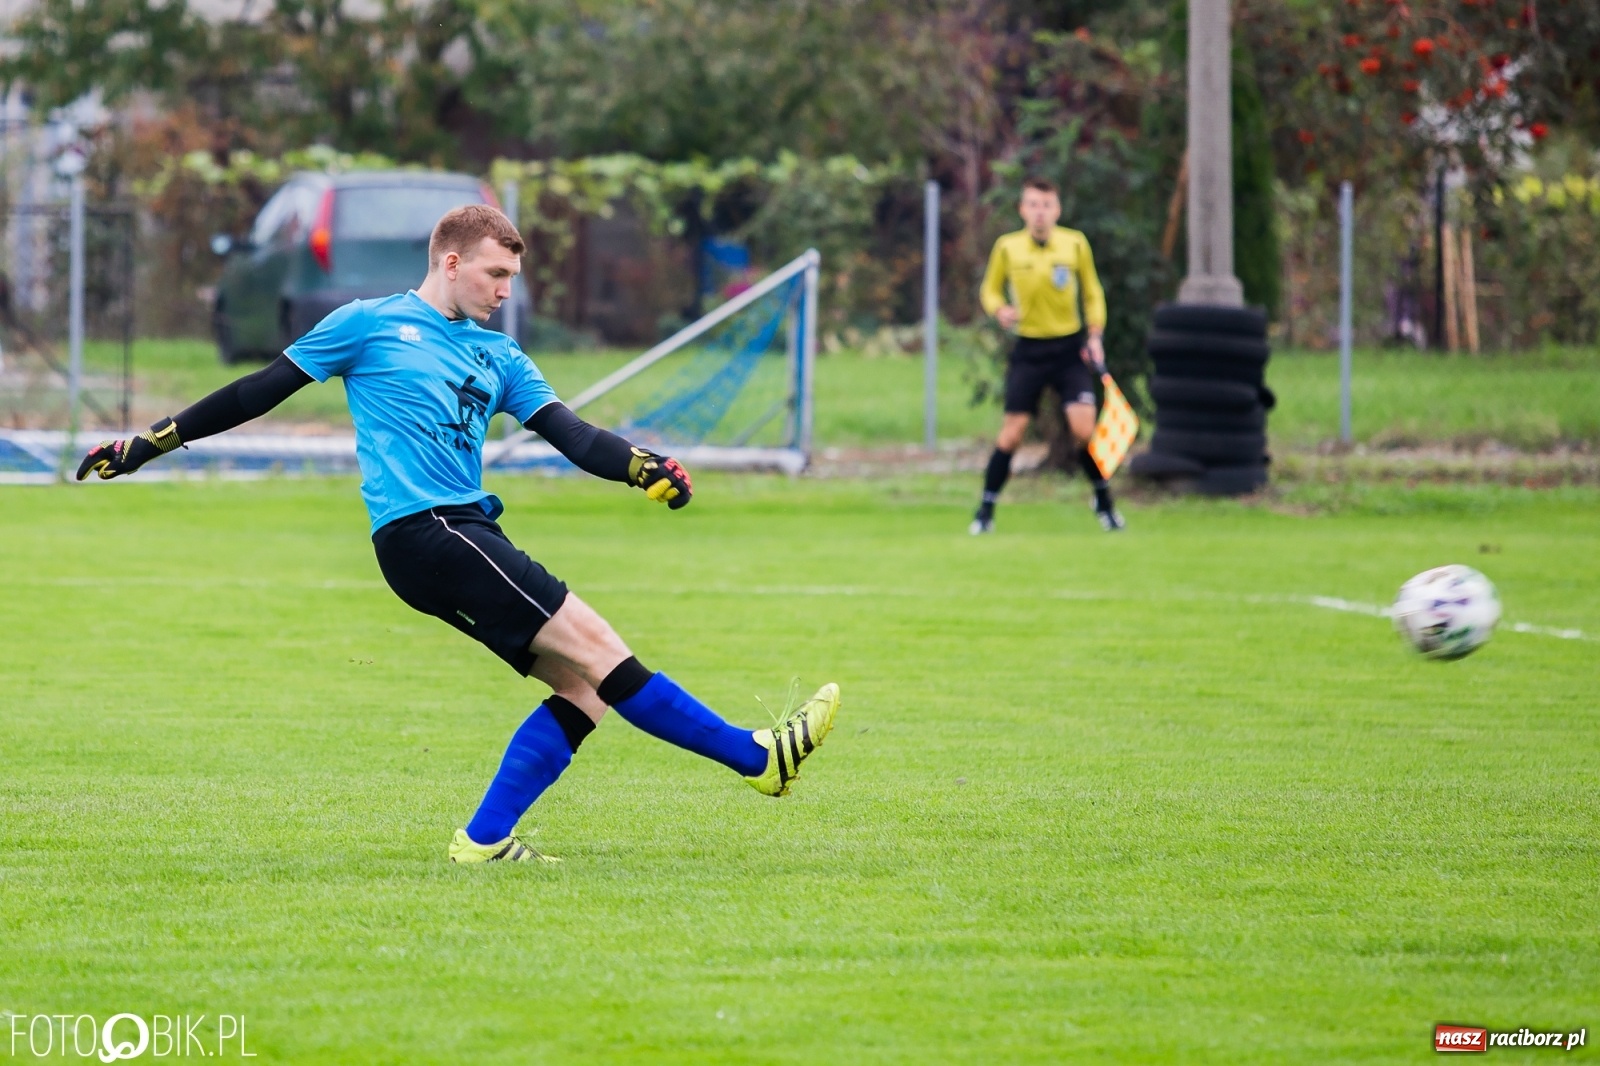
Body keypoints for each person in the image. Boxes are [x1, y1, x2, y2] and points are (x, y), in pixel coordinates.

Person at [75, 204, 840, 864]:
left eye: (512, 278)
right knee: (602, 649)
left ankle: (484, 841)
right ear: (451, 262)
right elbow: (257, 390)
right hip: (428, 530)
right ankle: (756, 757)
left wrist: (639, 465)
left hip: (454, 533)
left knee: (583, 689)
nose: (506, 292)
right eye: (494, 275)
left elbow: (572, 434)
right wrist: (148, 443)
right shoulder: (368, 324)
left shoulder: (499, 354)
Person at [972, 177, 1124, 534]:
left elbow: (1092, 292)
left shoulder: (1075, 244)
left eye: (1046, 205)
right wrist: (999, 310)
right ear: (1022, 210)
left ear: (1057, 210)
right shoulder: (1008, 247)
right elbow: (989, 290)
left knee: (1084, 431)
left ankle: (1104, 503)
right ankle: (985, 511)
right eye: (1033, 205)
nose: (1039, 212)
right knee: (1012, 434)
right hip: (1029, 349)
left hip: (1069, 349)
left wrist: (1095, 334)